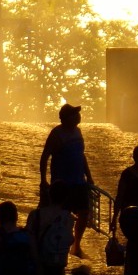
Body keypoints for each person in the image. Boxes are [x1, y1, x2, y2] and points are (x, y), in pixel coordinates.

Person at [40, 103, 94, 257]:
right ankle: (59, 244)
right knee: (61, 214)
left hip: (79, 181)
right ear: (65, 118)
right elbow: (45, 157)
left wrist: (89, 176)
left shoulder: (78, 132)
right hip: (62, 183)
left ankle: (76, 245)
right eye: (74, 114)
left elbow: (81, 155)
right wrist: (43, 180)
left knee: (83, 212)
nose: (78, 117)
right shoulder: (56, 134)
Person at [28, 187, 74, 275]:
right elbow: (69, 240)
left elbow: (29, 239)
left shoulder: (35, 215)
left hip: (38, 262)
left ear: (49, 195)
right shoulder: (68, 218)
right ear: (65, 198)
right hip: (58, 263)